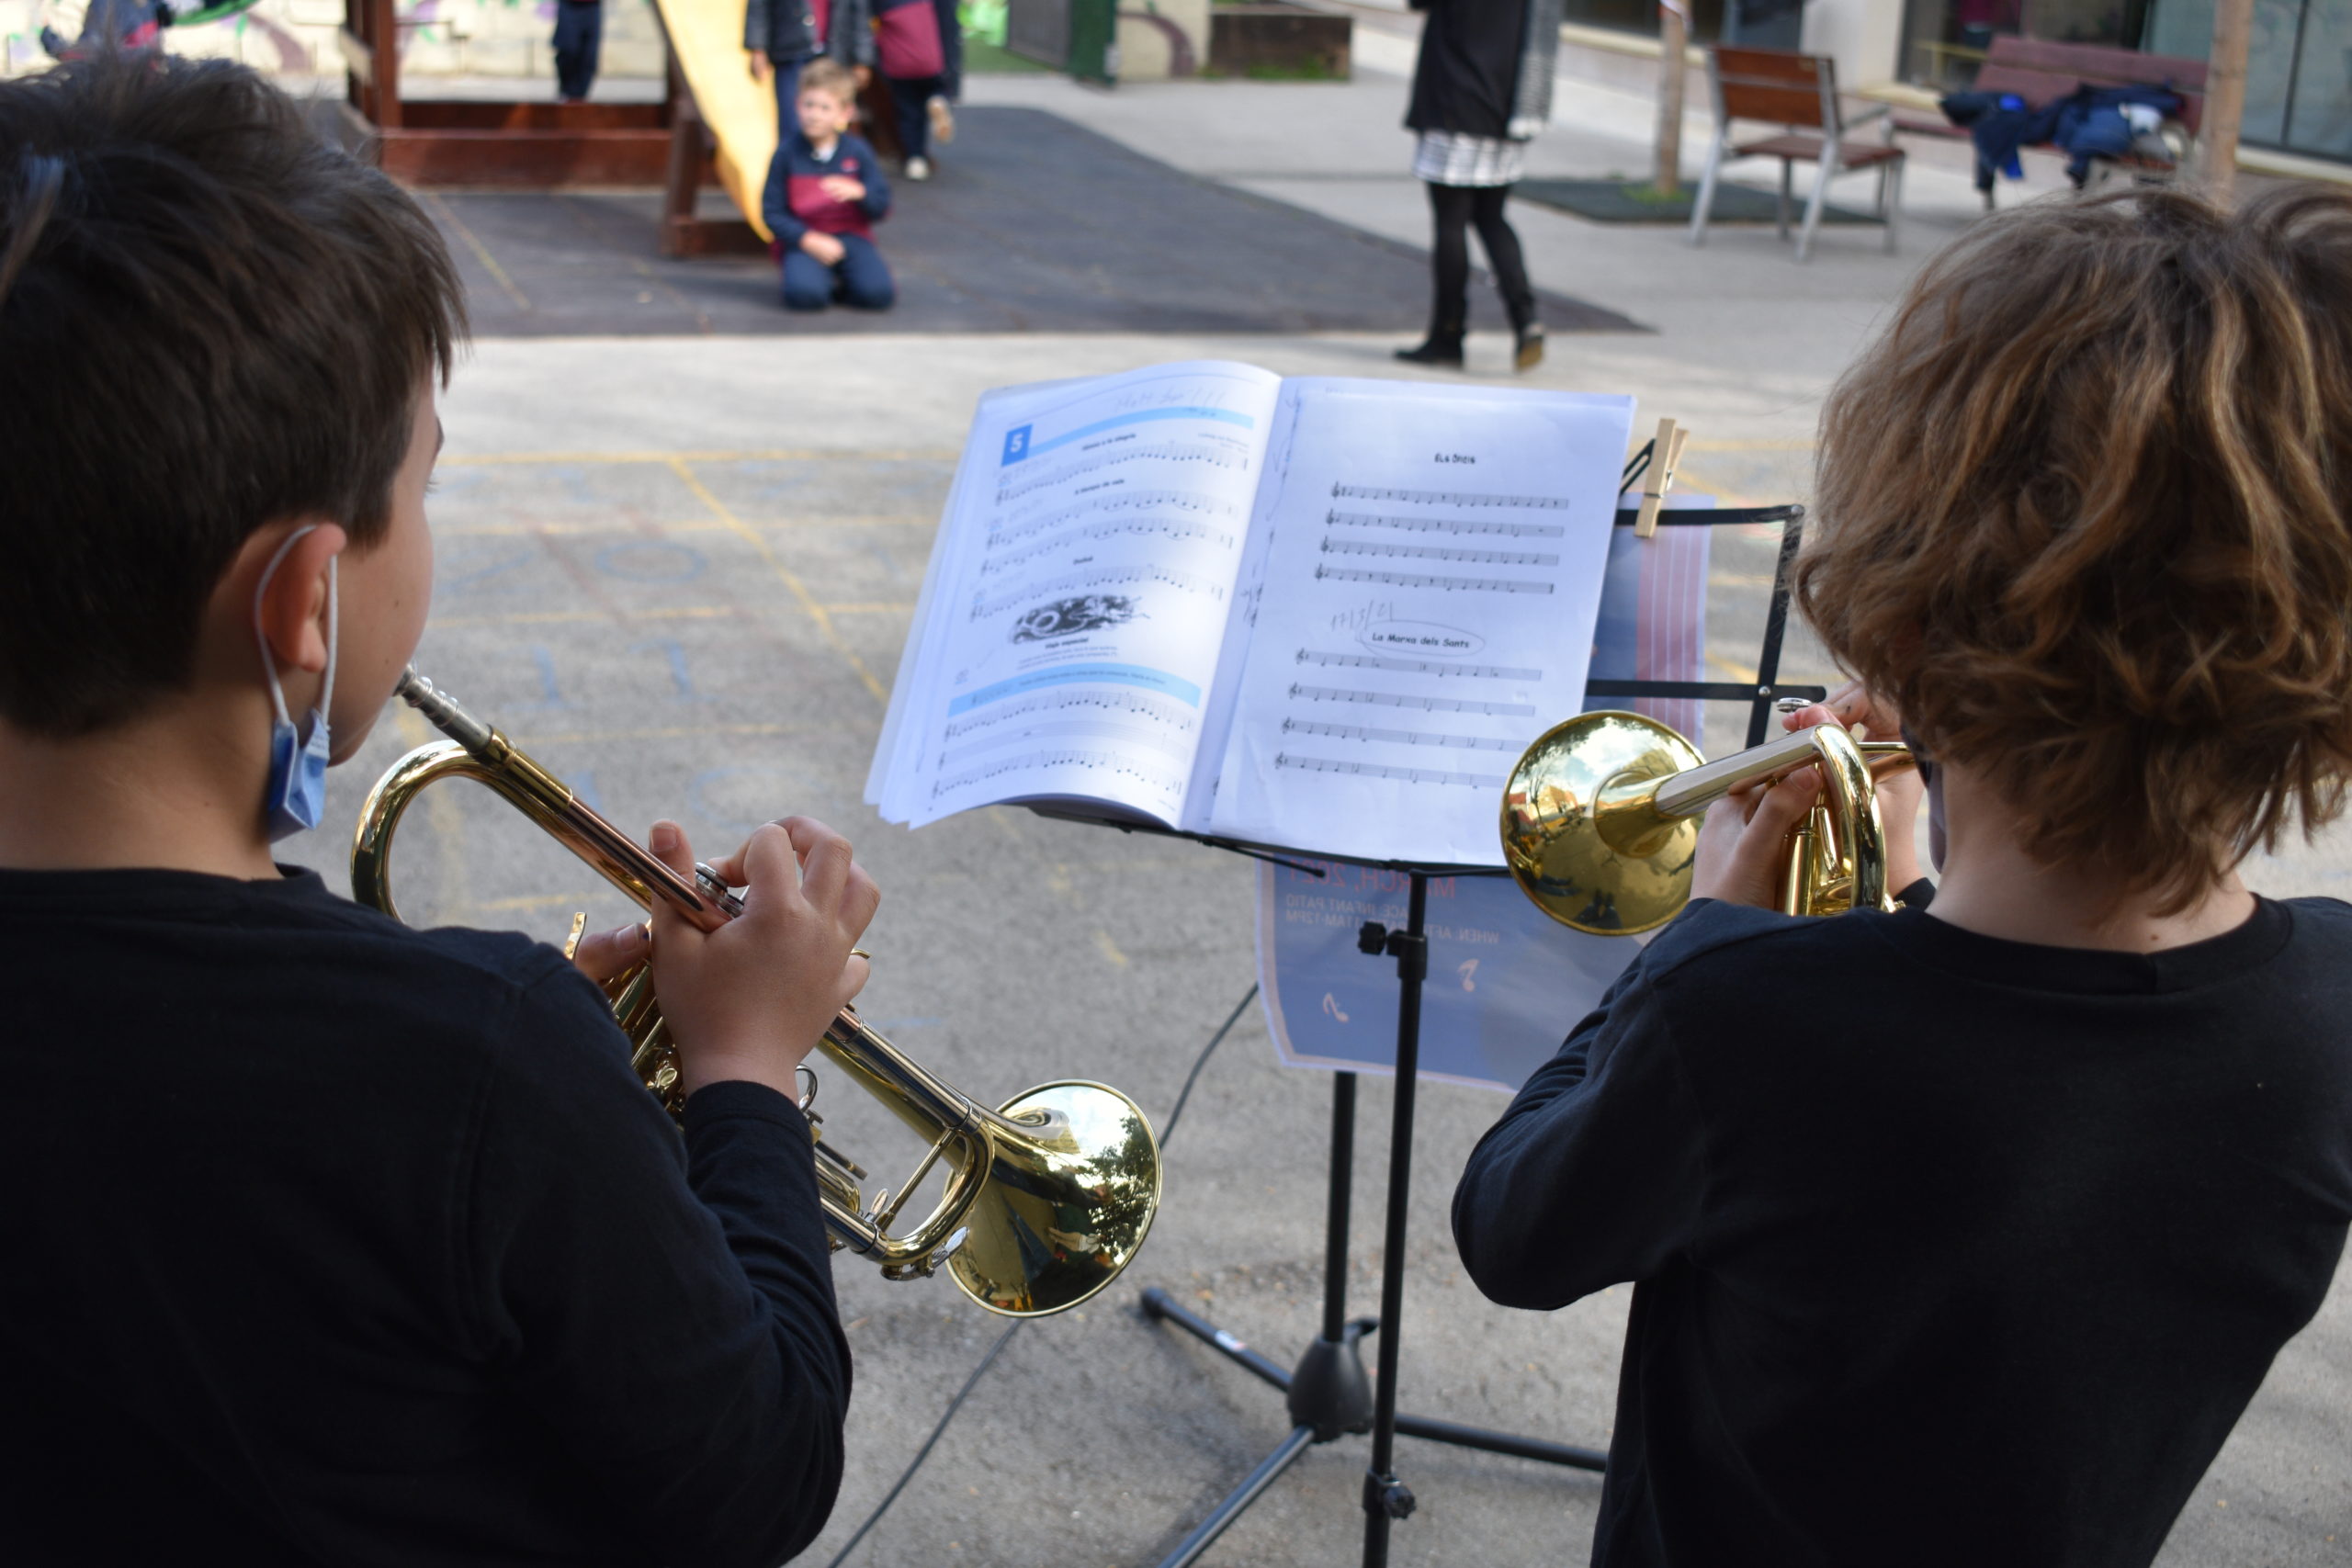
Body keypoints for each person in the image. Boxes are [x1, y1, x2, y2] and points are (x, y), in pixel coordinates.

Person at [0, 53, 872, 1566]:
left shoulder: (491, 1051)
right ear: (302, 602)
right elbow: (758, 1470)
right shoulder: (479, 1055)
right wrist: (743, 1074)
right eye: (426, 486)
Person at [1453, 185, 2352, 1566]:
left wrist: (1697, 937)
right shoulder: (2329, 1004)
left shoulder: (1742, 1016)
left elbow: (1512, 1227)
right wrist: (1917, 887)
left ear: (1913, 610)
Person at [1396, 0, 1555, 372]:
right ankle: (1526, 318)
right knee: (1492, 217)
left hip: (1454, 100)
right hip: (1508, 108)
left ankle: (1447, 336)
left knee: (1451, 222)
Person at [763, 58, 895, 313]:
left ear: (845, 113)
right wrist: (807, 239)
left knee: (879, 295)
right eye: (808, 105)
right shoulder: (786, 154)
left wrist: (861, 193)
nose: (814, 115)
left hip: (851, 237)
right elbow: (772, 212)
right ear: (797, 105)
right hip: (806, 237)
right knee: (804, 296)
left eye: (825, 108)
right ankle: (813, 280)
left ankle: (841, 283)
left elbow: (881, 206)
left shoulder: (858, 152)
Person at [745, 0, 873, 132]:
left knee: (834, 120)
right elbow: (759, 5)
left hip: (835, 51)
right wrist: (758, 49)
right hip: (791, 51)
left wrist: (862, 59)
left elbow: (859, 11)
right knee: (792, 121)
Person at [872, 0, 958, 181]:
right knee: (931, 93)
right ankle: (937, 98)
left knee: (908, 111)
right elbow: (948, 27)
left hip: (899, 63)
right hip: (930, 60)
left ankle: (915, 158)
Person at [552, 0, 602, 102]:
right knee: (568, 48)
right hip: (569, 5)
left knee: (589, 56)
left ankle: (579, 97)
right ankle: (567, 91)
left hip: (593, 5)